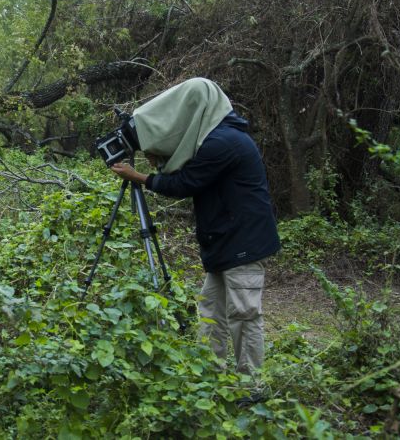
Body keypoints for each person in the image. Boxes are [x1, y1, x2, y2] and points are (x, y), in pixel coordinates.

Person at [110, 77, 280, 376]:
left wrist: (139, 176)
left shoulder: (223, 142)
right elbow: (187, 163)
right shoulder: (215, 138)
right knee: (211, 311)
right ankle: (209, 377)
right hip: (226, 241)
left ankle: (250, 387)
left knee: (243, 314)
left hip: (242, 242)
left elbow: (184, 182)